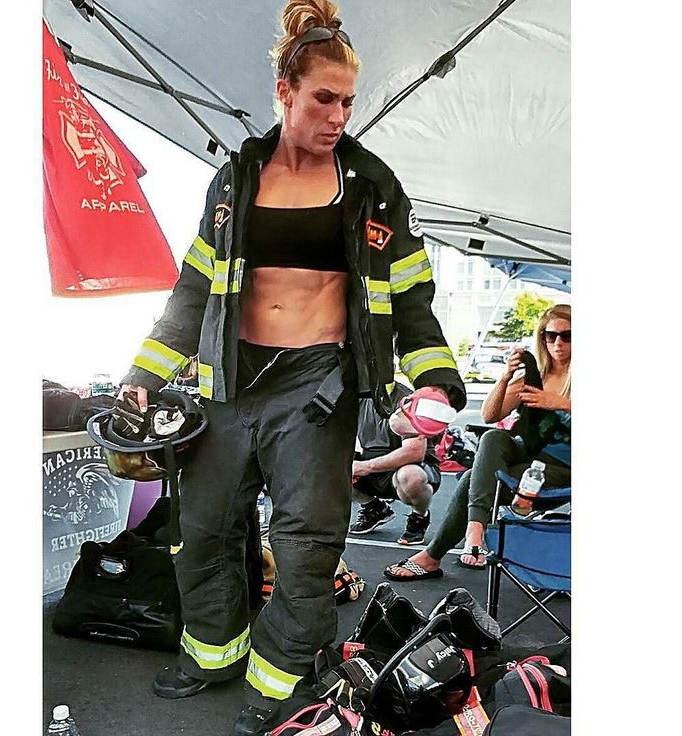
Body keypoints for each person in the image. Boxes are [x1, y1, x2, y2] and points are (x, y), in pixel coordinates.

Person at [117, 2, 465, 733]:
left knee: (305, 551)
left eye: (347, 101)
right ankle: (210, 653)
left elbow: (410, 298)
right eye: (323, 98)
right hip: (228, 387)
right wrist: (143, 376)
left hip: (319, 393)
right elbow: (192, 290)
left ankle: (274, 684)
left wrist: (433, 378)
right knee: (203, 531)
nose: (339, 115)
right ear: (285, 89)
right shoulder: (236, 177)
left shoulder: (373, 186)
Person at [384, 304, 571, 582]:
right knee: (493, 437)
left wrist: (562, 404)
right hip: (527, 451)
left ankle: (432, 556)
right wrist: (506, 377)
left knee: (472, 478)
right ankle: (474, 529)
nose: (557, 343)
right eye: (550, 335)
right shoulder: (536, 377)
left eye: (567, 335)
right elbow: (490, 414)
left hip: (561, 465)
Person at [349, 380, 442, 545]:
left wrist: (364, 467)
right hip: (373, 468)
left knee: (411, 476)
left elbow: (414, 452)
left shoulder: (408, 401)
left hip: (410, 469)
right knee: (328, 467)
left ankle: (419, 516)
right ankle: (374, 508)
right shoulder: (353, 397)